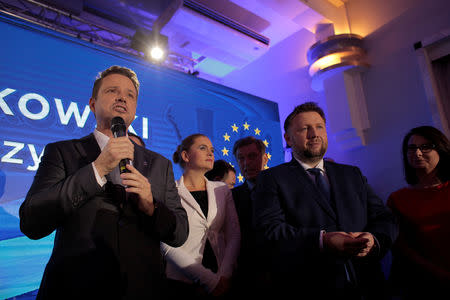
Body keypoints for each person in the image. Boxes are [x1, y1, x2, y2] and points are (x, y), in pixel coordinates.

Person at [19, 65, 189, 299]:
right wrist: (97, 169)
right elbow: (31, 222)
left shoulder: (160, 164)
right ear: (92, 104)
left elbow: (179, 233)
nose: (122, 97)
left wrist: (151, 207)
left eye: (130, 95)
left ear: (135, 110)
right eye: (112, 91)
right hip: (75, 289)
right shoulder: (62, 152)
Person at [252, 101, 398, 299]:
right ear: (288, 138)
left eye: (319, 126)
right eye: (305, 129)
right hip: (311, 290)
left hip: (369, 286)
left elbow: (384, 217)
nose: (314, 134)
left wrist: (374, 239)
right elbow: (270, 231)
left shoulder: (352, 174)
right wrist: (322, 241)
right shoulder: (271, 179)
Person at [161, 133, 241, 298]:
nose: (210, 153)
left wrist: (223, 276)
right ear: (185, 155)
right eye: (203, 148)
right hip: (183, 282)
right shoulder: (169, 192)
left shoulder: (222, 190)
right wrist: (208, 280)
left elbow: (234, 235)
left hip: (222, 278)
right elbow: (166, 244)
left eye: (212, 149)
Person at [387, 125, 450, 299]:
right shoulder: (398, 199)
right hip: (424, 286)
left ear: (441, 149)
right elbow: (402, 249)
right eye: (412, 148)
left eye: (425, 147)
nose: (418, 153)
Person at [230, 136, 270, 297]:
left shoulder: (283, 189)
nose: (246, 163)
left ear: (264, 158)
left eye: (252, 156)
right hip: (246, 280)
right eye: (241, 158)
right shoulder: (231, 197)